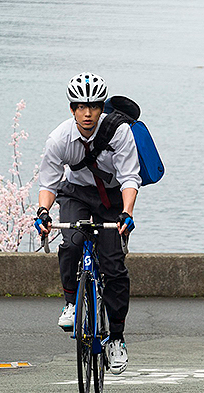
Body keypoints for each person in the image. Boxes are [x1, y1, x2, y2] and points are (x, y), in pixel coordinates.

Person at [35, 72, 140, 375]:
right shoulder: (59, 139)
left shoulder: (119, 133)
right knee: (70, 242)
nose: (87, 113)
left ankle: (116, 338)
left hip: (112, 200)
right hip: (77, 194)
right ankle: (71, 303)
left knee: (115, 268)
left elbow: (130, 177)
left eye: (94, 106)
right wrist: (43, 212)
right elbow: (49, 183)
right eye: (80, 106)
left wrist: (127, 213)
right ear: (72, 109)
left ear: (101, 107)